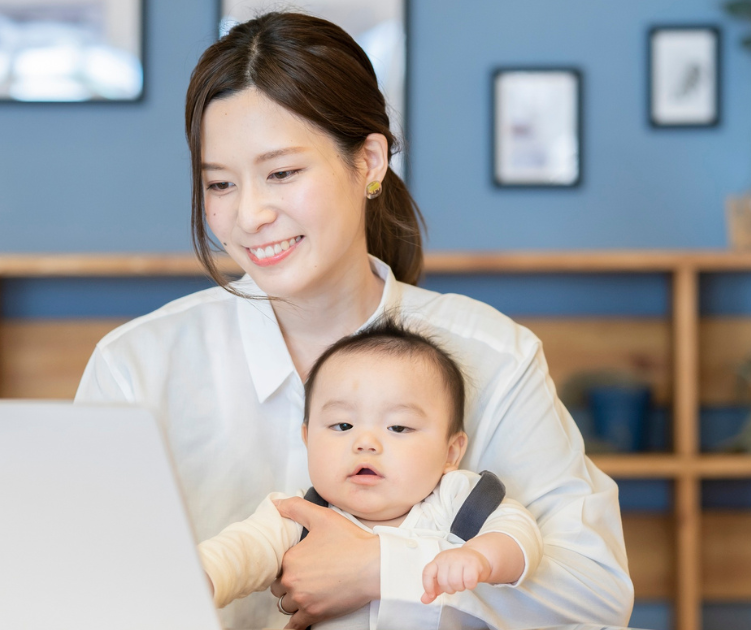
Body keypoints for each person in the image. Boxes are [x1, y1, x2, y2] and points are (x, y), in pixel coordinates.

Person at [75, 11, 632, 630]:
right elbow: (86, 592)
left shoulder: (495, 355)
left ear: (369, 161)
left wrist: (380, 568)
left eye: (282, 173)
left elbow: (598, 599)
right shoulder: (135, 368)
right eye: (221, 184)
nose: (249, 214)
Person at [198, 318, 544, 629]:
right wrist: (203, 575)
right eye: (343, 424)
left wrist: (482, 556)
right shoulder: (296, 517)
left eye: (398, 426)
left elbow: (518, 530)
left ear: (450, 452)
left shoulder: (457, 501)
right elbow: (237, 553)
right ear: (307, 438)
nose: (365, 442)